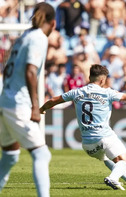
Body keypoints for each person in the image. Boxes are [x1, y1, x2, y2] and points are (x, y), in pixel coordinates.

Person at [39, 64, 126, 190]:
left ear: (89, 77)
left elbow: (54, 99)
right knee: (124, 162)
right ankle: (113, 178)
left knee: (106, 158)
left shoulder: (76, 92)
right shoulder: (106, 92)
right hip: (104, 137)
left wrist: (43, 108)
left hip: (87, 144)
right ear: (103, 80)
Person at [0, 3, 56, 196]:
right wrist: (35, 106)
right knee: (42, 154)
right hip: (18, 104)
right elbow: (31, 71)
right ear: (53, 23)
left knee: (10, 155)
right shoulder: (38, 37)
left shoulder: (23, 37)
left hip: (4, 102)